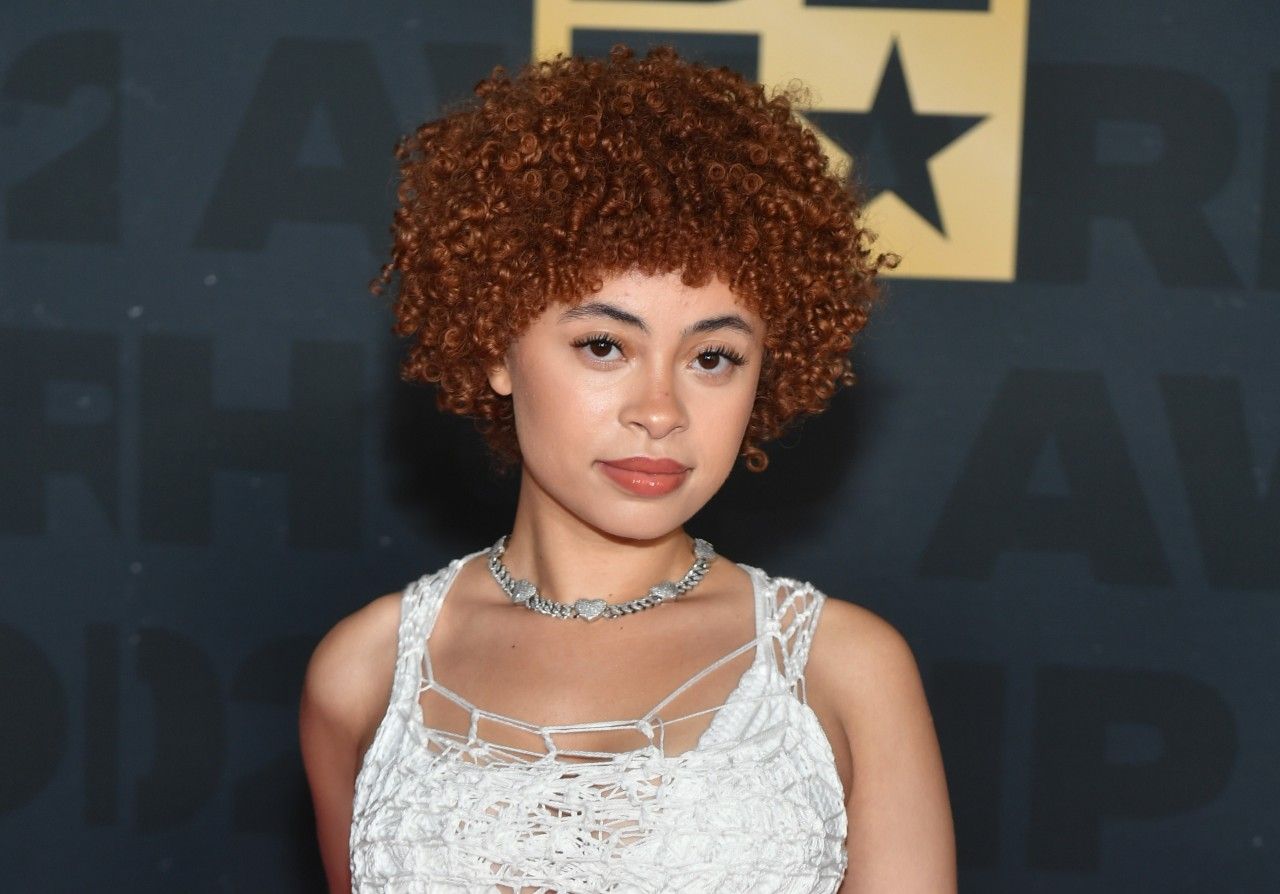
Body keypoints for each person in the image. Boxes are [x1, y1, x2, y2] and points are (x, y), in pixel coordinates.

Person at [299, 43, 955, 893]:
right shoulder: (363, 673)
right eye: (604, 345)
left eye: (713, 358)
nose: (660, 410)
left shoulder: (844, 670)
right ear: (495, 344)